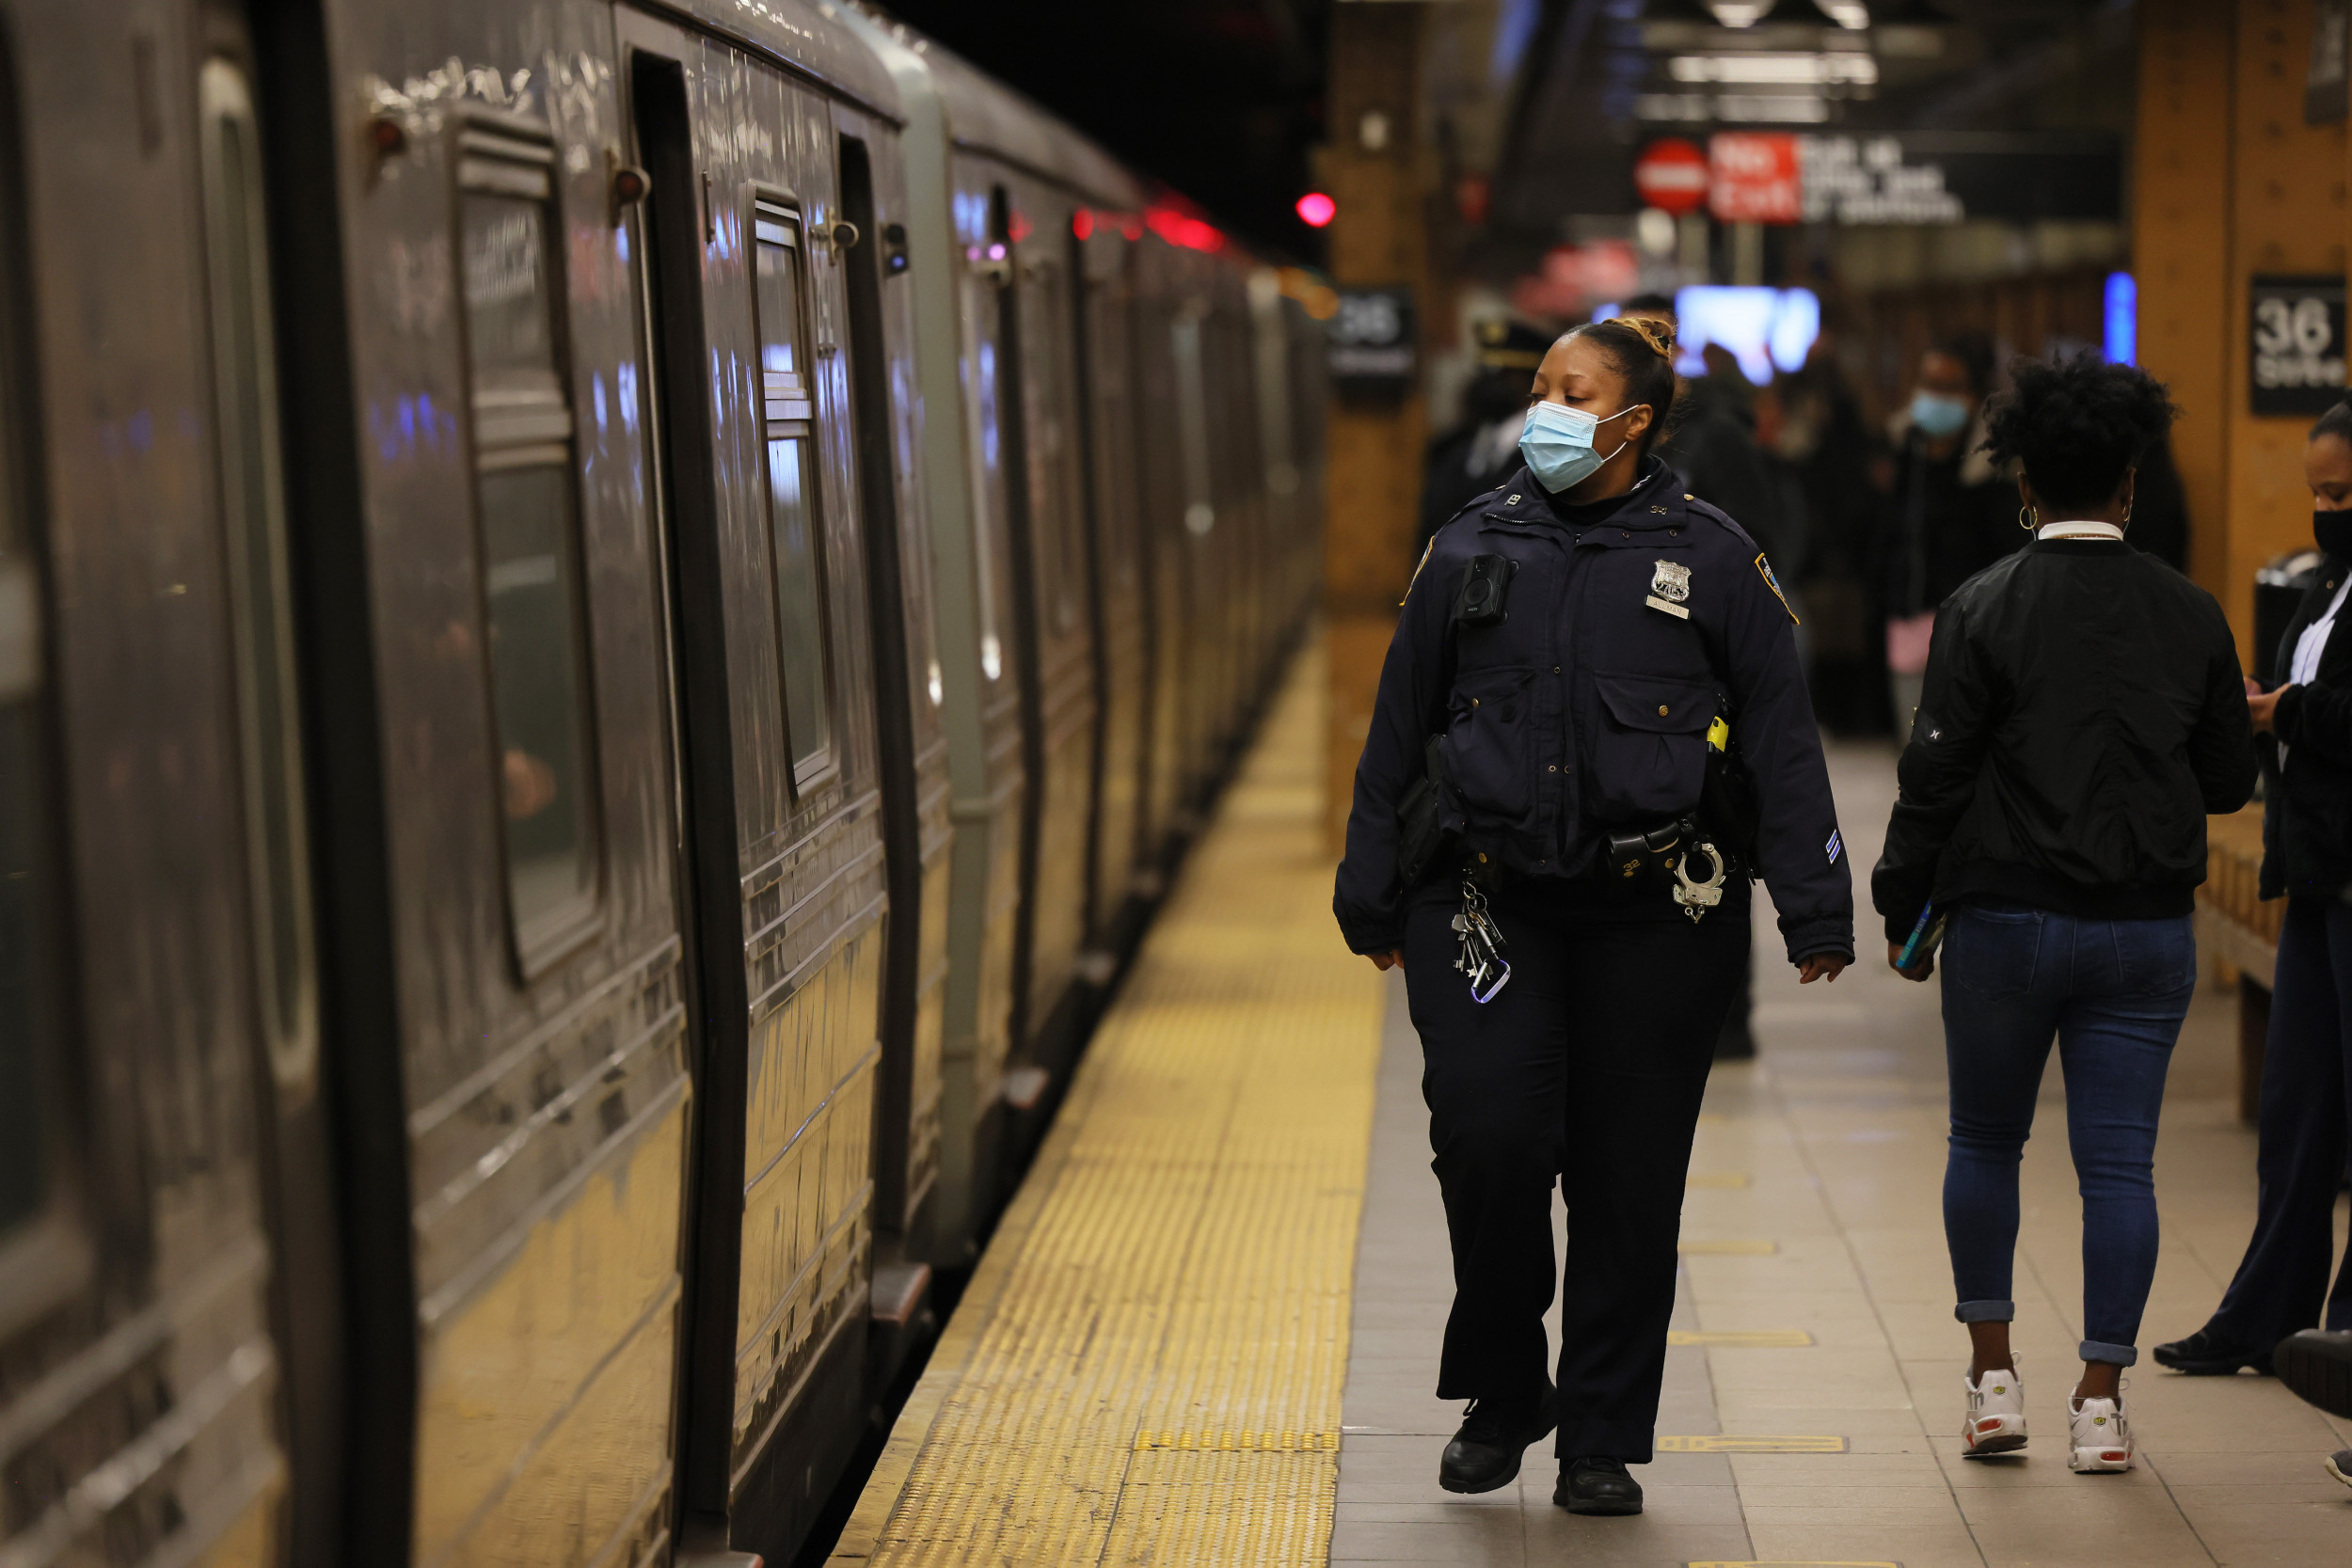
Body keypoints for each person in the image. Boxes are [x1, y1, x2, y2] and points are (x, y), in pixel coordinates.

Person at [1334, 315, 1854, 1516]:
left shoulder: (1716, 558)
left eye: (1575, 391)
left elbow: (1780, 736)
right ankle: (1507, 1388)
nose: (1547, 410)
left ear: (1638, 422)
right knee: (1487, 1140)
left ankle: (1601, 1434)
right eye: (1540, 388)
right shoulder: (1468, 542)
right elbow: (1396, 727)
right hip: (1485, 900)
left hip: (1658, 915)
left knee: (1629, 1179)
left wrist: (1813, 906)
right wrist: (1367, 889)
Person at [1872, 354, 2256, 1474]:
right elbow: (2229, 778)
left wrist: (1903, 899)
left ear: (2024, 482)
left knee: (1985, 1140)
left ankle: (1993, 1384)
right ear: (2130, 485)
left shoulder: (1980, 606)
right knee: (2119, 1167)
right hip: (2143, 932)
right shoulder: (2189, 611)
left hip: (2003, 922)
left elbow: (1932, 773)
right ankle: (2100, 1400)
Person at [2156, 398, 2352, 1381]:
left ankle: (2347, 1335)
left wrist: (2292, 711)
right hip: (2318, 871)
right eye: (2317, 490)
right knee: (2297, 1108)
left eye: (2341, 490)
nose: (2324, 508)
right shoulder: (2332, 589)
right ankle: (2264, 1314)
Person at [1882, 335, 2015, 740]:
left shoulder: (1996, 467)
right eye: (1928, 383)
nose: (1934, 396)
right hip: (1908, 620)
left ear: (1974, 395)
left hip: (1973, 635)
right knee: (1915, 749)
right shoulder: (1904, 450)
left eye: (1948, 386)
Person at [1419, 318, 1551, 554]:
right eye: (1486, 372)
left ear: (1534, 382)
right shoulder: (1448, 448)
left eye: (1505, 373)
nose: (1491, 384)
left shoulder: (1549, 452)